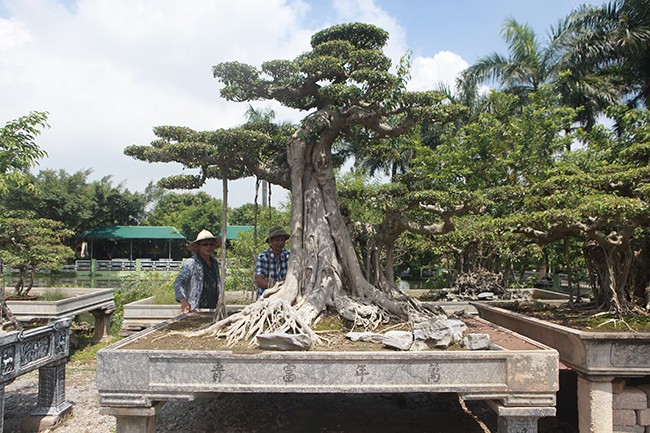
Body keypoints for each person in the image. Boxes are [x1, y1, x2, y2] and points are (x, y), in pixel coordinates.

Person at [174, 229, 221, 313]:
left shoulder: (214, 263)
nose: (208, 247)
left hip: (214, 309)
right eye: (205, 244)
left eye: (211, 244)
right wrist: (183, 301)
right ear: (198, 247)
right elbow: (178, 282)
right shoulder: (191, 263)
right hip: (196, 309)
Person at [255, 226, 290, 298]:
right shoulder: (263, 257)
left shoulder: (288, 256)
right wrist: (278, 285)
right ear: (271, 242)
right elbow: (259, 281)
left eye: (282, 240)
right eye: (277, 240)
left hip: (284, 297)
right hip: (265, 298)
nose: (280, 243)